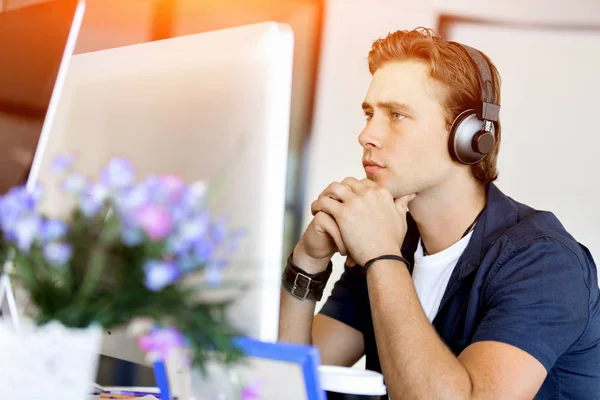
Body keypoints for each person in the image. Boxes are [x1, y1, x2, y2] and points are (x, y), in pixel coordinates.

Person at [278, 27, 600, 399]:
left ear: (469, 136)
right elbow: (288, 386)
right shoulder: (390, 242)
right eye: (369, 114)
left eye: (396, 115)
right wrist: (308, 261)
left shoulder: (545, 262)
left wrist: (381, 256)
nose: (366, 135)